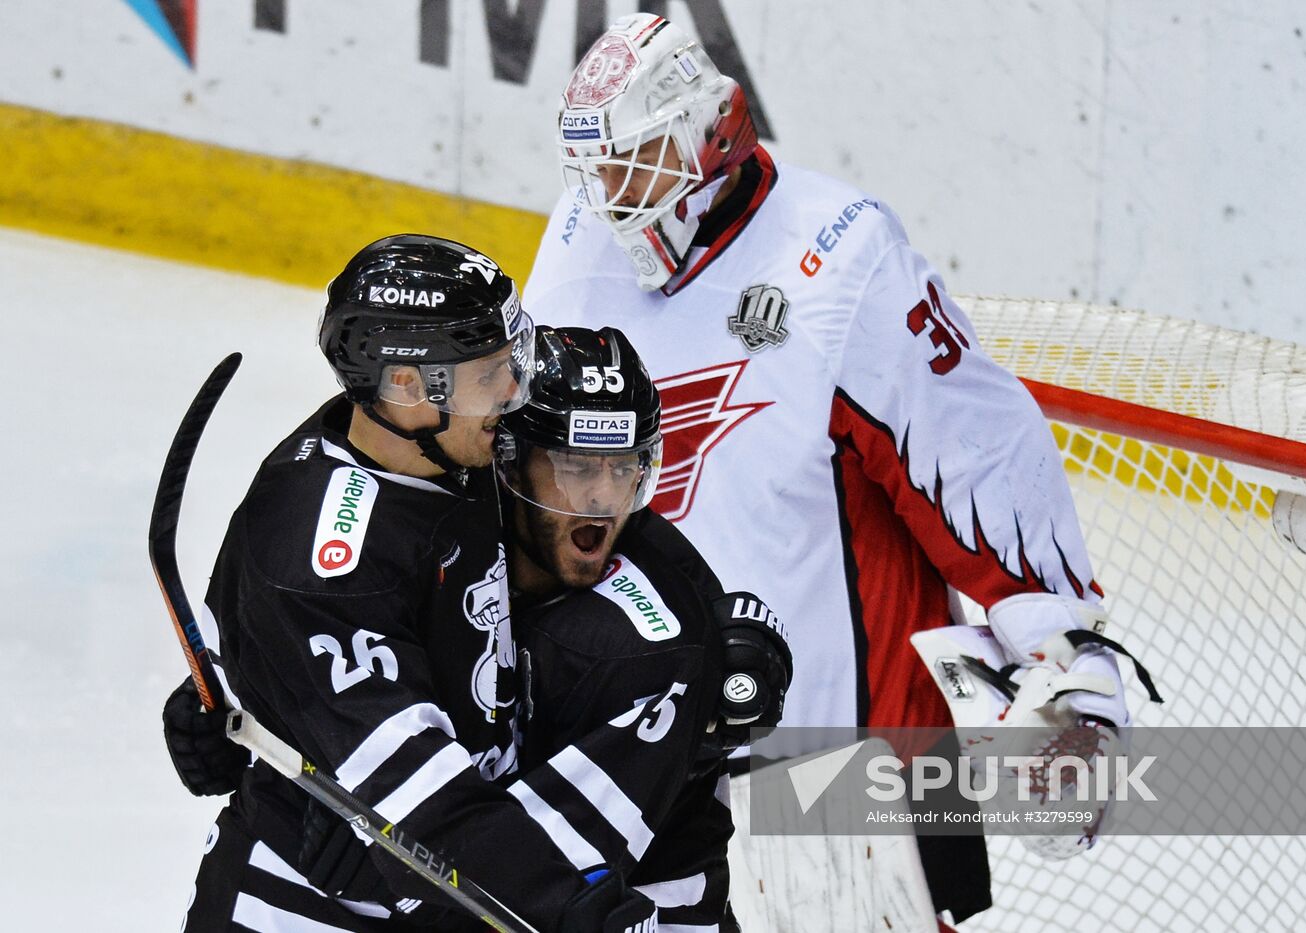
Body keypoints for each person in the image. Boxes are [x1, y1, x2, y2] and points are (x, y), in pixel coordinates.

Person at [524, 13, 1152, 924]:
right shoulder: (584, 228)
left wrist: (1066, 652)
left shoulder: (841, 255)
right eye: (596, 170)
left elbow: (974, 449)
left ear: (710, 132)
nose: (613, 194)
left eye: (636, 162)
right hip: (648, 744)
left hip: (845, 773)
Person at [166, 321, 793, 931]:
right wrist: (269, 688)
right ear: (506, 459)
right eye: (577, 466)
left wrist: (380, 857)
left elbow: (527, 887)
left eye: (625, 466)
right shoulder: (446, 517)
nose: (603, 498)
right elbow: (343, 617)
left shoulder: (644, 647)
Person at [173, 234, 661, 932]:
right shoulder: (323, 554)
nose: (514, 391)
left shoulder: (452, 446)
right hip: (302, 910)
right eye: (489, 372)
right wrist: (565, 902)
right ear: (406, 384)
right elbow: (424, 802)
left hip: (438, 886)